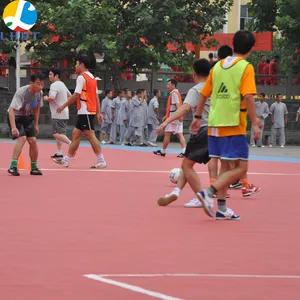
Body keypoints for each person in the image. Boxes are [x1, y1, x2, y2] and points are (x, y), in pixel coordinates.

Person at [190, 30, 262, 220]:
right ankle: (208, 192)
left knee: (226, 166)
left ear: (233, 44)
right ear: (251, 48)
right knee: (241, 168)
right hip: (233, 123)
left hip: (214, 122)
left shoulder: (218, 66)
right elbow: (248, 96)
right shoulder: (246, 67)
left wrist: (197, 117)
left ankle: (222, 209)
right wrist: (255, 122)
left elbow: (204, 93)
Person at [156, 59, 215, 207]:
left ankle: (202, 197)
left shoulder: (196, 90)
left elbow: (185, 108)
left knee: (187, 165)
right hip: (218, 131)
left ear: (194, 74)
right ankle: (176, 191)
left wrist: (166, 121)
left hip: (202, 130)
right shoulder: (215, 89)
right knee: (188, 163)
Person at [52, 55, 106, 169]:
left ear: (81, 64)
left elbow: (76, 95)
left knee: (90, 135)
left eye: (76, 64)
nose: (75, 66)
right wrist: (98, 112)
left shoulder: (82, 78)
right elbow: (96, 96)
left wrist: (63, 106)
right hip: (87, 111)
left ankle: (101, 160)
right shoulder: (92, 77)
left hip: (85, 111)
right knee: (75, 135)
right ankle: (66, 160)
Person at [7, 73, 45, 176]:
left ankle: (34, 167)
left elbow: (37, 109)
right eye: (38, 84)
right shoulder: (22, 92)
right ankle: (13, 166)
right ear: (31, 83)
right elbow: (11, 110)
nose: (40, 87)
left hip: (27, 117)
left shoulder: (39, 93)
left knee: (33, 140)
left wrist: (36, 124)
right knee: (22, 138)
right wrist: (14, 127)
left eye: (42, 84)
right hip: (16, 116)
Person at [153, 79, 186, 157]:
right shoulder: (176, 93)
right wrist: (167, 115)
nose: (167, 86)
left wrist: (178, 116)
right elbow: (173, 107)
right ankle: (184, 151)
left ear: (173, 85)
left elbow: (177, 105)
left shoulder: (174, 93)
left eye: (168, 84)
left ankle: (163, 151)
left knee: (167, 134)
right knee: (180, 134)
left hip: (174, 118)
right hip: (176, 117)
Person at [44, 68, 72, 159]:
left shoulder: (54, 85)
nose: (49, 76)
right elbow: (70, 96)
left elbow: (52, 97)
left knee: (56, 134)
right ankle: (59, 153)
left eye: (51, 74)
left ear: (56, 76)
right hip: (64, 113)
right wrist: (64, 104)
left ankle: (72, 145)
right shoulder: (62, 84)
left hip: (58, 113)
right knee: (59, 135)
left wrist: (46, 98)